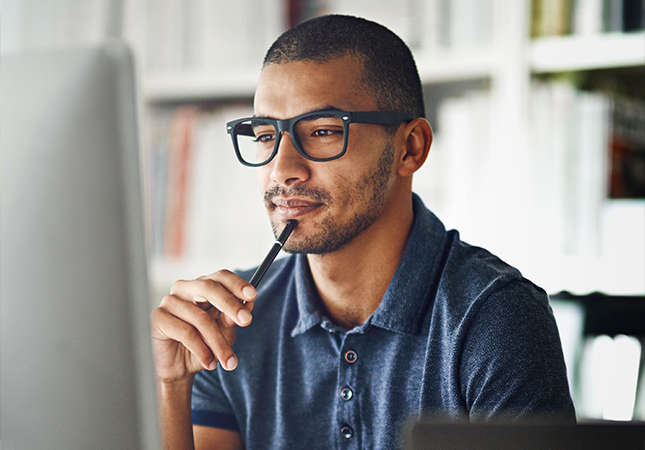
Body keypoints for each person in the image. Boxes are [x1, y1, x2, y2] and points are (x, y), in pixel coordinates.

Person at [151, 14, 575, 450]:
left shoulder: (495, 318)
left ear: (410, 148)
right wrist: (172, 386)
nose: (282, 170)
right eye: (264, 135)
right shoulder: (229, 325)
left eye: (322, 132)